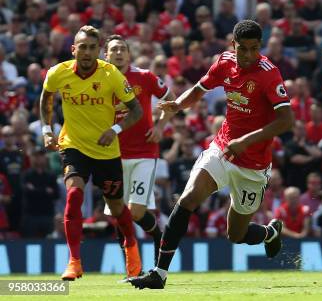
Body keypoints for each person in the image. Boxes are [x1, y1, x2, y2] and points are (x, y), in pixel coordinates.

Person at [128, 20, 294, 289]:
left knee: (236, 234)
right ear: (233, 45)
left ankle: (269, 233)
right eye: (243, 49)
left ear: (260, 47)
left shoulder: (269, 73)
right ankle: (159, 273)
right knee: (188, 198)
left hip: (253, 165)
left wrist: (247, 140)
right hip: (223, 147)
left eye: (254, 49)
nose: (248, 55)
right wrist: (177, 105)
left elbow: (287, 120)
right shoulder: (225, 62)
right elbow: (200, 89)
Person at [39, 25, 144, 280]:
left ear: (99, 51)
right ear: (73, 49)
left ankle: (131, 247)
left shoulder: (111, 75)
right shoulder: (58, 73)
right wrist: (46, 129)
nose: (86, 52)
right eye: (82, 47)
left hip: (106, 151)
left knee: (117, 207)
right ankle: (74, 261)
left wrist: (115, 128)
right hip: (73, 145)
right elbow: (46, 100)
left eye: (91, 48)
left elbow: (137, 111)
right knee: (74, 194)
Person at [103, 34, 176, 269]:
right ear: (106, 55)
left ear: (128, 53)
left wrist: (161, 126)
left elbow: (171, 100)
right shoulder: (100, 81)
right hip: (112, 154)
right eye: (113, 49)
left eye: (122, 49)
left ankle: (157, 236)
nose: (118, 53)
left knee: (135, 212)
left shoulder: (144, 77)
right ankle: (131, 268)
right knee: (118, 213)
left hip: (144, 152)